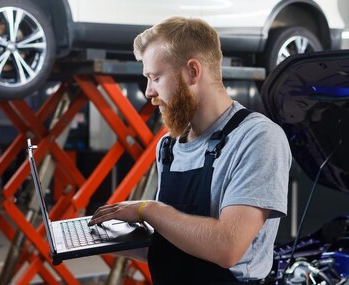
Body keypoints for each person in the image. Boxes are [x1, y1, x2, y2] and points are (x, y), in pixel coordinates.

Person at [88, 16, 291, 284]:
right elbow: (178, 241)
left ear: (193, 72)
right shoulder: (169, 147)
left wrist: (148, 210)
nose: (149, 92)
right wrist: (105, 239)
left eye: (156, 77)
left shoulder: (257, 138)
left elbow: (227, 247)